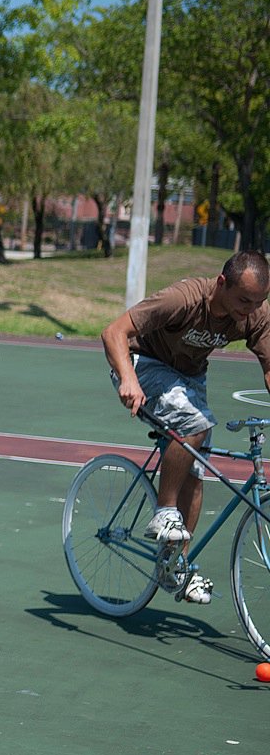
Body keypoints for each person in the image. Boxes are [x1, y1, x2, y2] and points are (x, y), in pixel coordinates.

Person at [101, 250, 270, 603]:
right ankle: (164, 512)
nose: (249, 310)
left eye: (258, 301)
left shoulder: (255, 314)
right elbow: (114, 331)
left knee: (196, 469)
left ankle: (175, 563)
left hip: (189, 376)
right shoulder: (184, 298)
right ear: (222, 283)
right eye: (243, 300)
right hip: (143, 363)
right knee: (195, 423)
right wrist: (128, 380)